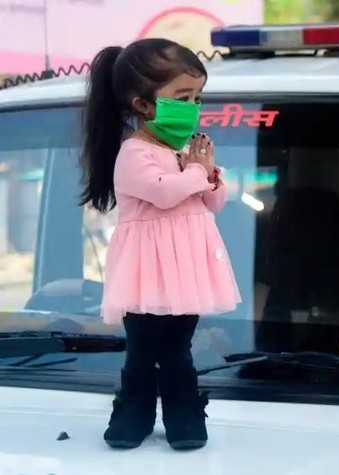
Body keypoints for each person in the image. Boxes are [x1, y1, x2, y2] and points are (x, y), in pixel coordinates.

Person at [78, 39, 241, 450]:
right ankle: (133, 414)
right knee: (141, 350)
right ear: (144, 105)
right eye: (182, 97)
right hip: (146, 276)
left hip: (185, 274)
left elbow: (215, 200)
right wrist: (198, 172)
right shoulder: (134, 153)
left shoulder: (184, 151)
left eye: (197, 97)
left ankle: (184, 416)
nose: (192, 106)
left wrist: (208, 174)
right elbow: (163, 192)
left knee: (178, 351)